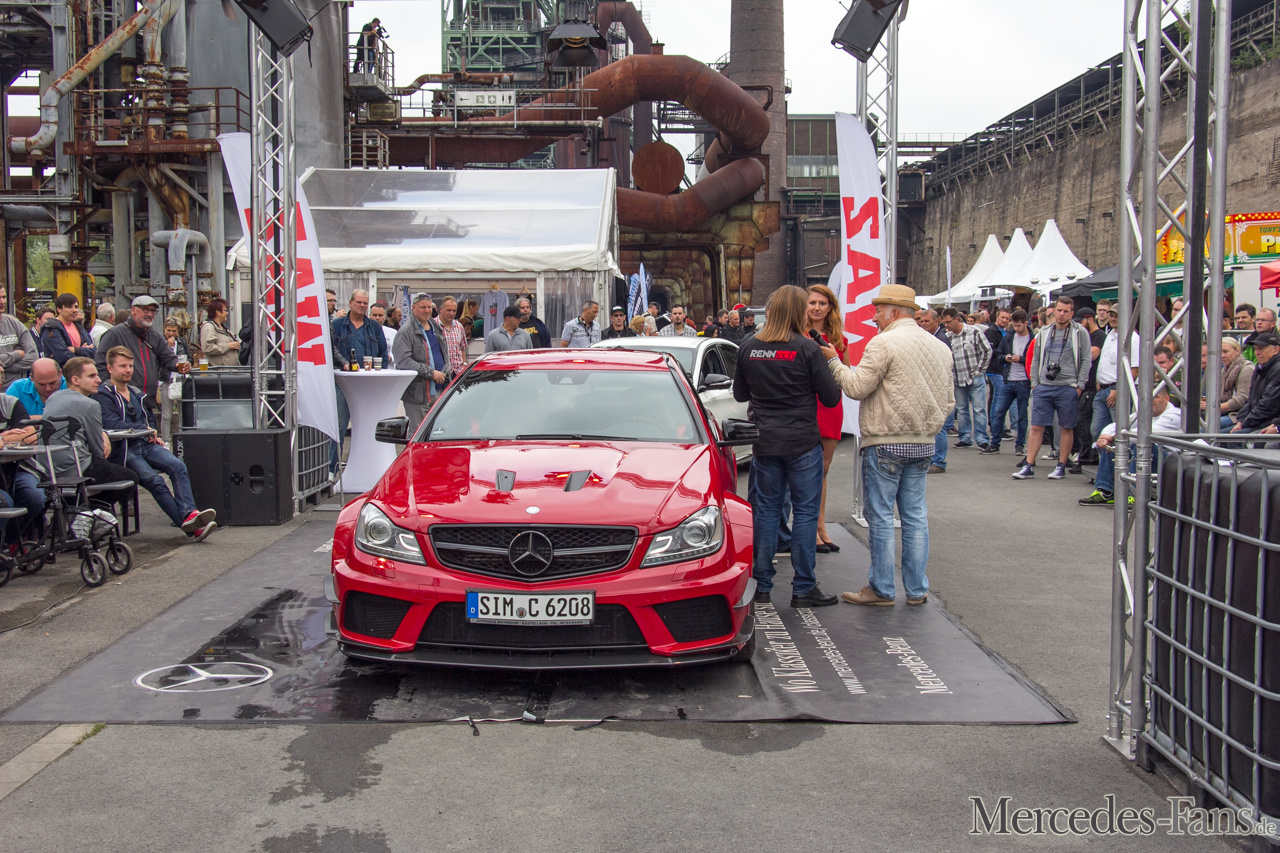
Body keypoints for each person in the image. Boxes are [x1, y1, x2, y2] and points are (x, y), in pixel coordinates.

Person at [819, 285, 953, 606]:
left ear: (894, 312)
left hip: (886, 440)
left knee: (880, 516)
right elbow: (949, 401)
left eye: (878, 311)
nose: (874, 317)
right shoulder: (939, 347)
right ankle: (917, 589)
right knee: (915, 516)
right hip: (923, 441)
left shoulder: (883, 342)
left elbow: (856, 387)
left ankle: (882, 588)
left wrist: (834, 361)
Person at [733, 285, 842, 608]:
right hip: (802, 441)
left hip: (765, 441)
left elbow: (740, 394)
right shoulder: (808, 348)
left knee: (766, 511)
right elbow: (831, 398)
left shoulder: (749, 346)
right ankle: (804, 586)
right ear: (798, 312)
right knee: (805, 512)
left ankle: (762, 584)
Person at [96, 346, 216, 540]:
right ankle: (192, 527)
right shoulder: (104, 394)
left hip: (146, 444)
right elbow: (111, 424)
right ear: (110, 368)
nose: (128, 370)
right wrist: (144, 429)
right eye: (122, 366)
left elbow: (149, 419)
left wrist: (153, 433)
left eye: (130, 366)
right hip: (125, 449)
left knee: (178, 466)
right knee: (155, 481)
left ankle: (190, 514)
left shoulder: (136, 392)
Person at [34, 357, 139, 508]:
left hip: (48, 468)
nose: (98, 380)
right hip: (77, 468)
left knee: (107, 470)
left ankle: (79, 511)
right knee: (131, 477)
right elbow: (97, 450)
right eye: (92, 376)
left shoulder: (54, 397)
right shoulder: (90, 404)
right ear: (75, 380)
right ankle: (89, 513)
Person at [1014, 296, 1093, 480]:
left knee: (1066, 427)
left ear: (1071, 313)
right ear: (1054, 311)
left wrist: (1079, 385)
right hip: (1044, 385)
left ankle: (1061, 465)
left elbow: (1086, 359)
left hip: (1068, 385)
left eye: (1066, 311)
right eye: (1059, 310)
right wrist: (1035, 383)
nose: (1061, 314)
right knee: (1036, 426)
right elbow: (1035, 358)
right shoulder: (1044, 332)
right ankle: (1029, 464)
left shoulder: (1079, 332)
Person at [1079, 386, 1182, 506]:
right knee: (1114, 443)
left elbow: (1144, 434)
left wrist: (1113, 436)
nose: (1151, 400)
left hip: (1169, 463)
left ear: (1166, 399)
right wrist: (1105, 437)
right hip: (1150, 460)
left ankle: (1134, 495)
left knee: (1140, 443)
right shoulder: (1143, 413)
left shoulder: (1175, 415)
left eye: (1156, 397)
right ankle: (1106, 491)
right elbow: (1116, 426)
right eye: (1148, 397)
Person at [805, 284, 848, 554]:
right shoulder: (796, 335)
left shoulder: (839, 339)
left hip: (830, 406)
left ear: (830, 307)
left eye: (822, 303)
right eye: (812, 303)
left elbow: (846, 374)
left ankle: (820, 526)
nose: (817, 308)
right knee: (804, 470)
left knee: (823, 469)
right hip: (805, 406)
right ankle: (808, 527)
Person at [329, 289, 387, 470]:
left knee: (367, 426)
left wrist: (380, 377)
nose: (362, 305)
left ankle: (366, 467)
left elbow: (383, 353)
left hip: (367, 384)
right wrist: (343, 364)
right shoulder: (337, 325)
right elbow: (330, 350)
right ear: (350, 303)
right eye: (358, 302)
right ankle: (331, 469)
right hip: (342, 383)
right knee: (339, 426)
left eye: (365, 303)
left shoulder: (374, 327)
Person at [95, 294, 189, 400]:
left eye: (153, 311)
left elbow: (168, 358)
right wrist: (109, 393)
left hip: (148, 399)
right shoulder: (115, 334)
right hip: (123, 399)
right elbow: (101, 364)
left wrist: (179, 365)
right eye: (145, 310)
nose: (150, 314)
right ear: (133, 310)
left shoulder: (155, 336)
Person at [940, 307, 992, 451]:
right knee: (962, 409)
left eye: (948, 322)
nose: (946, 325)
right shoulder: (948, 336)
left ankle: (982, 439)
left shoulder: (973, 332)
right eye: (944, 323)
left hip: (974, 377)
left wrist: (979, 371)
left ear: (956, 319)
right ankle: (965, 437)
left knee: (979, 409)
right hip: (958, 378)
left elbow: (987, 350)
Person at [984, 309, 1034, 457]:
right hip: (1008, 379)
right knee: (999, 412)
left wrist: (1022, 359)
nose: (1016, 328)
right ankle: (995, 443)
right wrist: (1005, 357)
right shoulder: (1009, 336)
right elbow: (998, 354)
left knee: (1022, 415)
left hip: (1023, 380)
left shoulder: (1032, 338)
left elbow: (1034, 358)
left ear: (1025, 323)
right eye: (1014, 325)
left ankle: (1020, 445)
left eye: (1019, 326)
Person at [1228, 331, 1280, 436]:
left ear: (1276, 350)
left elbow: (1268, 405)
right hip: (1255, 420)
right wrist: (1241, 421)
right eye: (1255, 349)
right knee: (1223, 435)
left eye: (1261, 349)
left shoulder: (1277, 369)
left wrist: (1245, 423)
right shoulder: (1259, 368)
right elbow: (1250, 399)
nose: (1257, 353)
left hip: (1267, 422)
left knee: (1230, 438)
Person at [1206, 338, 1253, 430]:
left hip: (1238, 415)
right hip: (1225, 412)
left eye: (1225, 351)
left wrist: (1214, 407)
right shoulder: (1225, 370)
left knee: (1204, 428)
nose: (1222, 356)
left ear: (1237, 351)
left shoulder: (1247, 369)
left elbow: (1242, 399)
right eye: (1220, 352)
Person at [40, 293, 95, 366]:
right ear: (59, 309)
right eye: (69, 307)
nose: (74, 310)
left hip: (81, 370)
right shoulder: (51, 328)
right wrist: (83, 353)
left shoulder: (78, 326)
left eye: (76, 307)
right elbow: (62, 356)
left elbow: (93, 351)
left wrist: (75, 350)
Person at [0, 287, 36, 390]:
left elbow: (33, 357)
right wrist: (17, 355)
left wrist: (5, 367)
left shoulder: (15, 324)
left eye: (4, 297)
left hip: (18, 391)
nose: (2, 301)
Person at [983, 307, 1011, 437]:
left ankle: (998, 425)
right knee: (997, 399)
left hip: (1002, 370)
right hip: (995, 370)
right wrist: (1004, 355)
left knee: (997, 397)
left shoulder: (1005, 331)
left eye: (1007, 318)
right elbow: (990, 351)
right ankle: (996, 426)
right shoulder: (992, 331)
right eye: (1002, 317)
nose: (1004, 320)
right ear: (997, 317)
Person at [198, 299, 240, 367]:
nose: (227, 313)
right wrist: (228, 346)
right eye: (225, 310)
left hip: (230, 370)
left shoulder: (224, 329)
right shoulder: (209, 327)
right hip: (219, 371)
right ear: (218, 312)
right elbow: (207, 348)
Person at [435, 296, 468, 378]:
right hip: (440, 373)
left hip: (458, 373)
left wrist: (464, 364)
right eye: (448, 310)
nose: (451, 313)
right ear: (441, 309)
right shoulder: (433, 325)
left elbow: (462, 348)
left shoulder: (459, 326)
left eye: (454, 311)